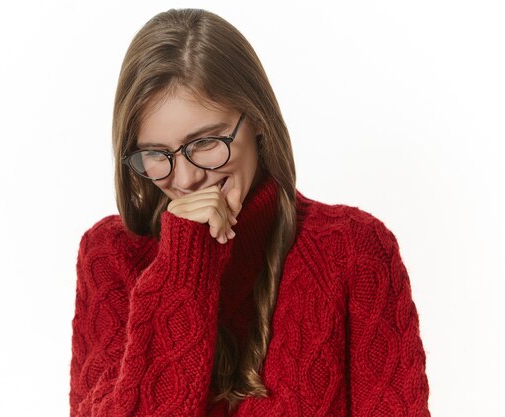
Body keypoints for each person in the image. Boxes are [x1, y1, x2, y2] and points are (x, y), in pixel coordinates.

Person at [70, 8, 430, 417]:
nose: (185, 179)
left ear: (257, 120)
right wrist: (183, 267)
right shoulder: (111, 257)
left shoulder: (353, 251)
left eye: (205, 143)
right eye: (156, 154)